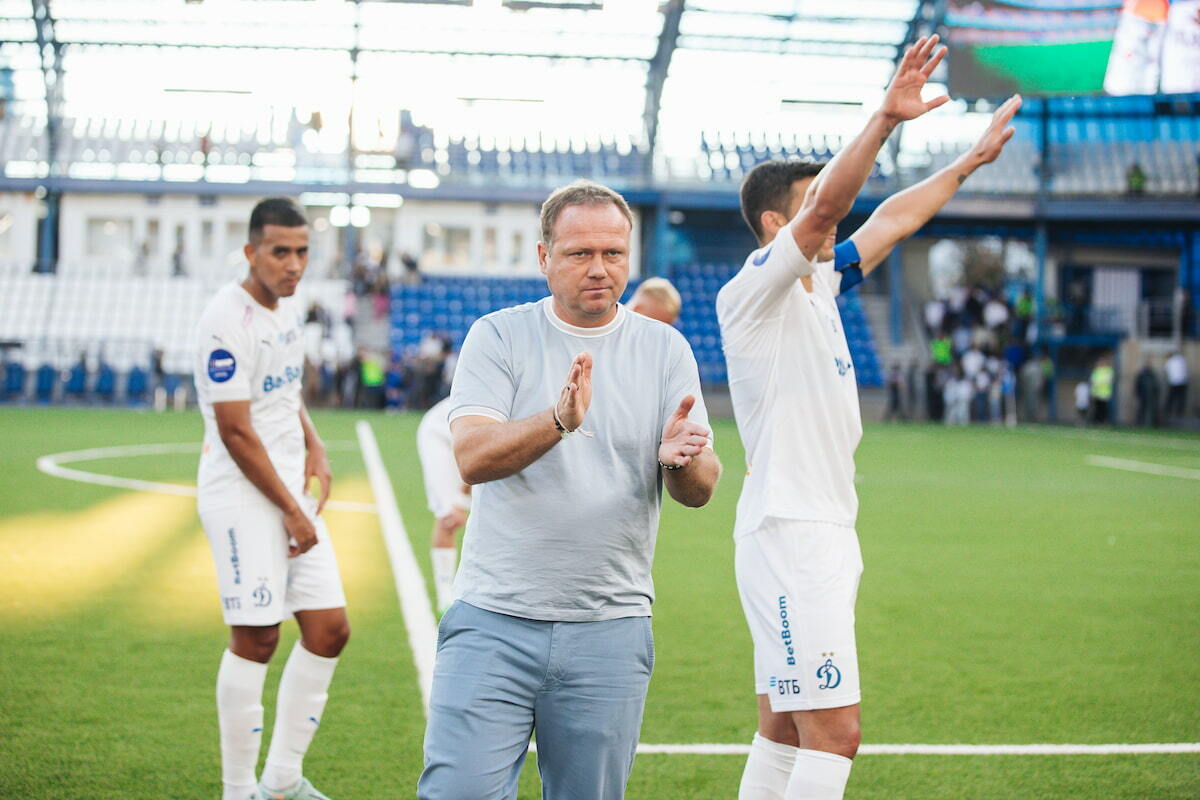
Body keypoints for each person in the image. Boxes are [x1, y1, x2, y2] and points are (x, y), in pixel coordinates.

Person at [718, 35, 1021, 800]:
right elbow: (833, 206)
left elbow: (888, 220)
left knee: (786, 727)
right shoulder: (758, 286)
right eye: (814, 202)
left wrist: (966, 165)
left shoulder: (821, 284)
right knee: (836, 731)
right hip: (792, 527)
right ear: (772, 225)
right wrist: (884, 119)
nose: (832, 208)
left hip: (813, 525)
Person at [417, 179, 722, 800]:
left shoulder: (665, 349)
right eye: (580, 253)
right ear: (544, 258)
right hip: (493, 619)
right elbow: (471, 458)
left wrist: (676, 461)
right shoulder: (498, 335)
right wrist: (557, 421)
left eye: (613, 253)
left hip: (609, 626)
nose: (599, 268)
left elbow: (702, 485)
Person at [193, 197, 349, 800]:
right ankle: (239, 791)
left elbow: (282, 392)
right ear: (251, 252)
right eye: (280, 252)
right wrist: (290, 508)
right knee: (257, 637)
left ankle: (281, 781)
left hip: (287, 486)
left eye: (302, 251)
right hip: (242, 495)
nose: (293, 264)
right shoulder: (224, 320)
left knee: (330, 629)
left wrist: (315, 445)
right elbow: (234, 430)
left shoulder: (285, 310)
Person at [1134, 359, 1161, 427]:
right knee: (1142, 409)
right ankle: (1139, 423)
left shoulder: (1152, 374)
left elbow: (1156, 385)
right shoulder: (1142, 374)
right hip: (1143, 395)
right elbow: (1138, 385)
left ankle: (1154, 424)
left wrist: (1156, 393)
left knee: (1153, 410)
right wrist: (1138, 393)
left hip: (1152, 395)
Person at [1164, 350, 1188, 421]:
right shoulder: (1181, 359)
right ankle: (1179, 413)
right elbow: (1184, 371)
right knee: (1180, 399)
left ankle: (1169, 412)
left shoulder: (1169, 362)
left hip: (1174, 383)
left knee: (1172, 398)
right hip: (1182, 382)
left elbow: (1168, 371)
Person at [1090, 354, 1114, 425]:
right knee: (1097, 408)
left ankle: (1103, 422)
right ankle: (1096, 422)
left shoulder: (1108, 371)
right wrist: (1093, 392)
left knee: (1104, 409)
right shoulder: (1096, 371)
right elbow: (1093, 382)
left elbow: (1109, 381)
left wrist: (1101, 383)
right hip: (1097, 393)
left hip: (1105, 394)